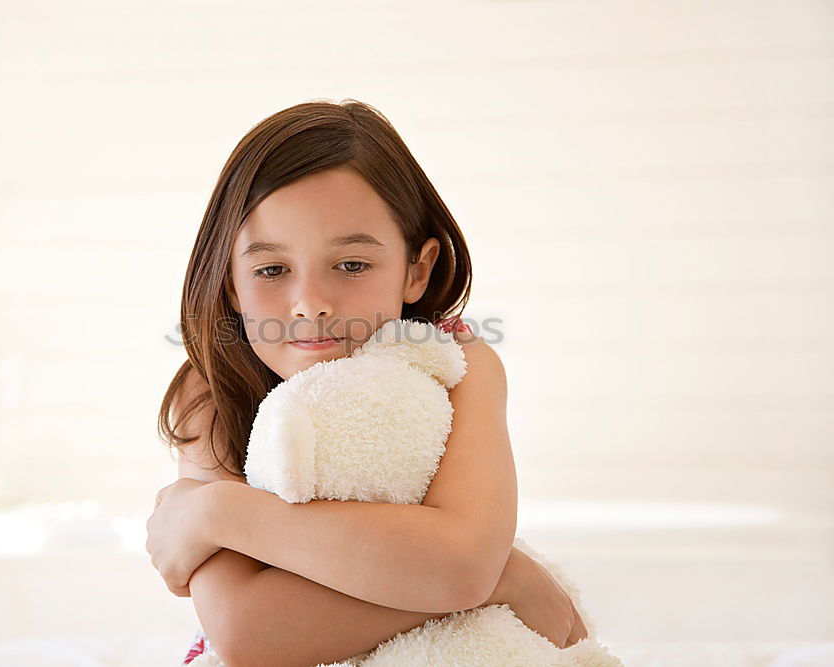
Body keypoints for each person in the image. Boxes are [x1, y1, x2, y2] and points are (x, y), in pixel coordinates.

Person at [145, 99, 588, 667]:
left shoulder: (458, 367)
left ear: (416, 270)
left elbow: (463, 564)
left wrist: (216, 513)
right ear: (230, 284)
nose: (310, 305)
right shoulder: (210, 395)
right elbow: (248, 637)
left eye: (352, 265)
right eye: (271, 270)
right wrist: (504, 581)